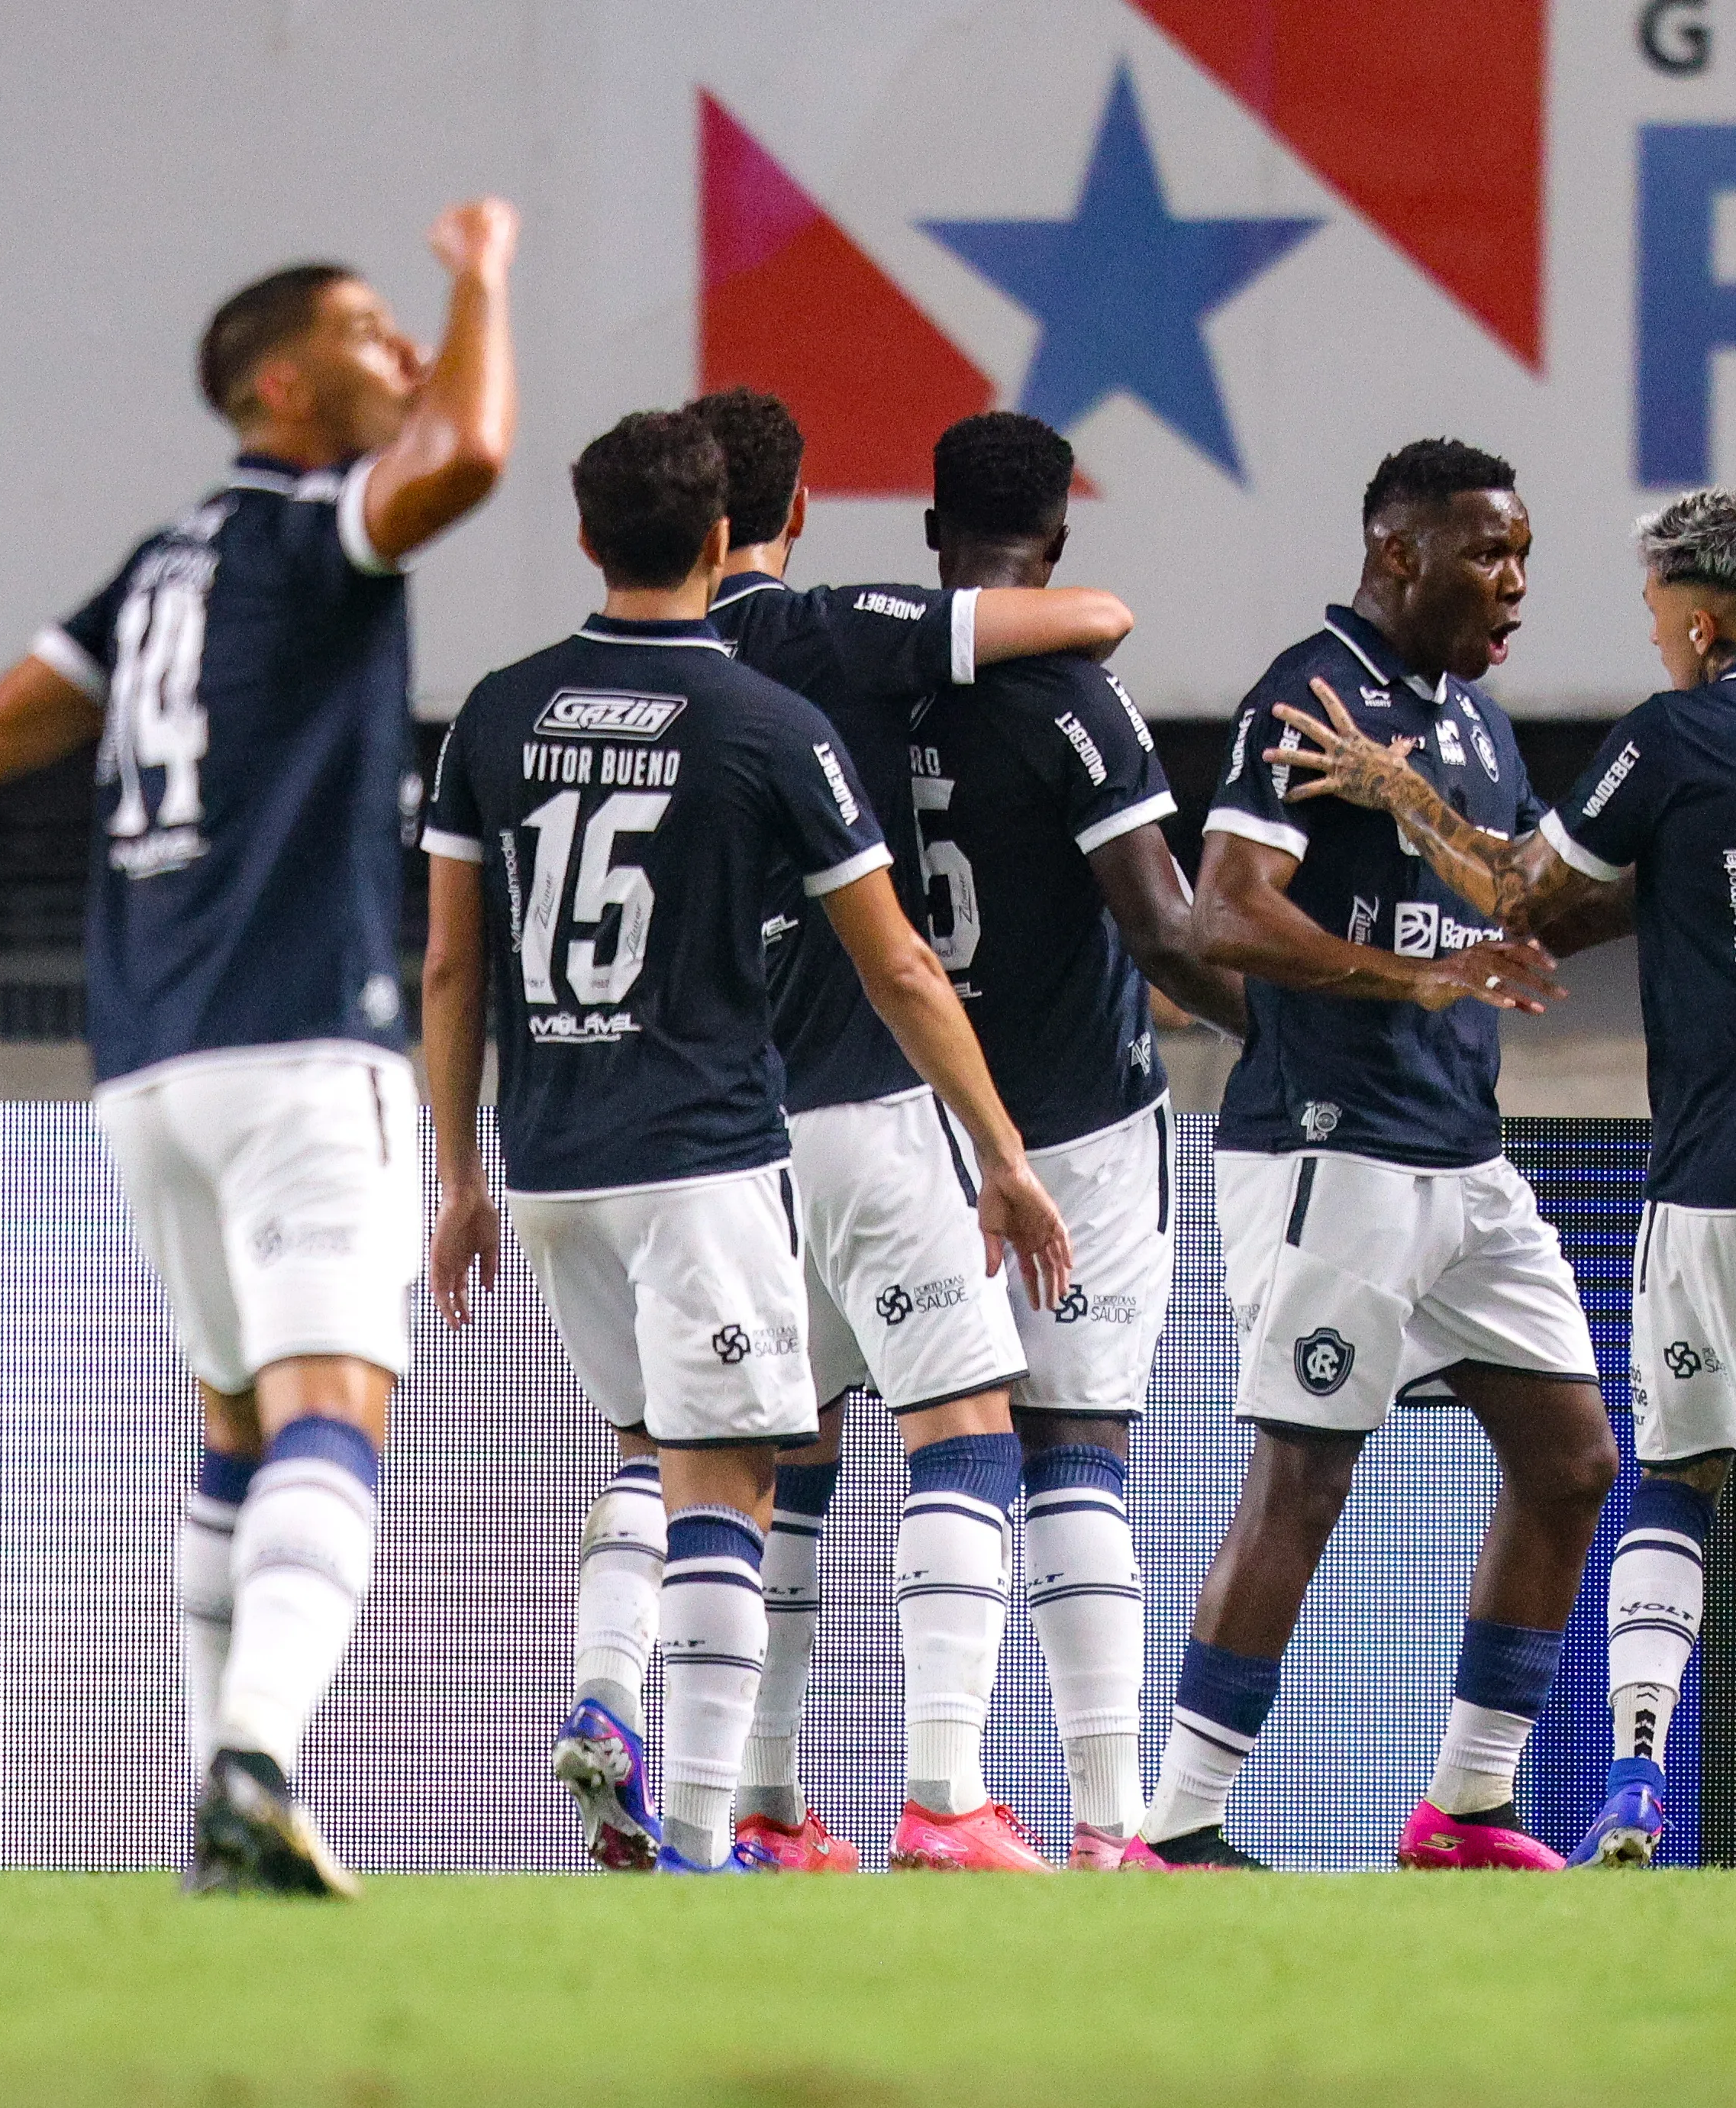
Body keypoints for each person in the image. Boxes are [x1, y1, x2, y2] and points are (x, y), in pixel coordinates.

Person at [0, 202, 522, 1896]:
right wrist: (482, 280)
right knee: (331, 1412)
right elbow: (475, 460)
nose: (404, 360)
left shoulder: (161, 570)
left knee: (232, 1436)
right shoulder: (313, 530)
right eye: (370, 337)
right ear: (287, 387)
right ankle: (255, 1761)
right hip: (306, 1044)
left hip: (152, 1071)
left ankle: (226, 1815)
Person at [1263, 486, 1736, 1873]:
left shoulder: (1676, 737)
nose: (1650, 634)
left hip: (1723, 1179)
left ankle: (1634, 1783)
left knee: (1678, 1478)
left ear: (1702, 616)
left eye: (1654, 609)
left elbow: (1530, 897)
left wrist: (1402, 793)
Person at [420, 408, 1073, 1875]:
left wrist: (459, 1175)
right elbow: (902, 966)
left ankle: (606, 1696)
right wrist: (1006, 1152)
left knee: (646, 1456)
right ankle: (705, 1831)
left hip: (550, 1163)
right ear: (724, 545)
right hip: (703, 1156)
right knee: (729, 1483)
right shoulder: (771, 726)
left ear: (586, 539)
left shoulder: (492, 713)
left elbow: (453, 969)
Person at [656, 386, 1131, 1873]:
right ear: (792, 518)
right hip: (864, 1101)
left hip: (703, 1129)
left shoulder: (574, 689)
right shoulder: (827, 632)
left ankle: (752, 1804)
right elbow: (1086, 620)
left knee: (758, 1458)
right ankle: (948, 1800)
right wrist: (997, 1149)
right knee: (972, 1426)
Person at [1146, 438, 1619, 1872]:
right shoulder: (1309, 688)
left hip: (1461, 1154)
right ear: (1398, 551)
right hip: (1332, 1147)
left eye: (1526, 553)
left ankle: (1465, 1808)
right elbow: (1219, 918)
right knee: (1308, 1475)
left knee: (1574, 1459)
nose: (1517, 583)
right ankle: (1180, 1826)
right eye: (1490, 553)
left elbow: (1510, 897)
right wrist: (1405, 977)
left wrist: (1422, 824)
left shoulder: (1465, 722)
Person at [907, 411, 1251, 1866]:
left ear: (934, 537)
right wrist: (1298, 1034)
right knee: (1079, 1450)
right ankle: (1110, 1823)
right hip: (1084, 1129)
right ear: (1056, 544)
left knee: (872, 1443)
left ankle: (872, 1796)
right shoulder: (1078, 701)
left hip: (913, 1117)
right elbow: (1165, 932)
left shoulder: (872, 682)